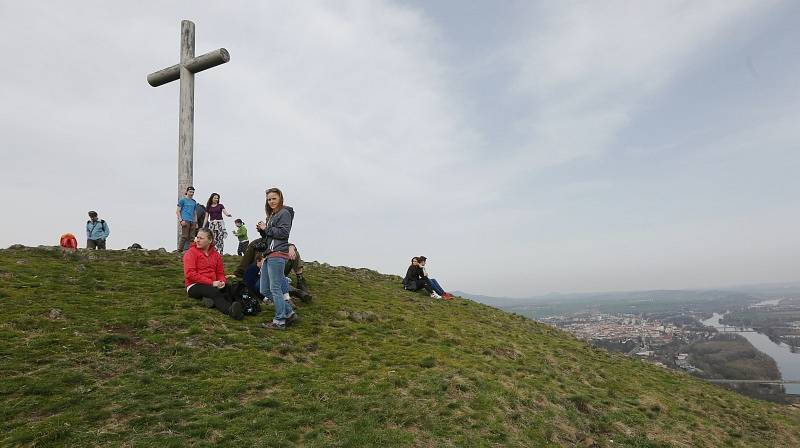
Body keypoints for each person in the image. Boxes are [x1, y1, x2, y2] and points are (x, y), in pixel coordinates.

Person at [234, 228, 312, 301]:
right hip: (262, 273)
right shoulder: (255, 244)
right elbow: (246, 259)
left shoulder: (277, 242)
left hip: (278, 268)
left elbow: (288, 245)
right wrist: (239, 272)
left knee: (294, 252)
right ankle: (296, 292)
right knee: (270, 281)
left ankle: (300, 280)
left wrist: (292, 247)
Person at [183, 228, 244, 320]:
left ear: (210, 240)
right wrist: (212, 283)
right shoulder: (190, 253)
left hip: (212, 283)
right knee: (213, 291)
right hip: (194, 285)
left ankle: (238, 308)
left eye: (201, 238)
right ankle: (230, 311)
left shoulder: (216, 255)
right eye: (197, 237)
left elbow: (220, 273)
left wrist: (221, 281)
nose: (198, 240)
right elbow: (190, 274)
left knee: (229, 288)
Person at [260, 187, 298, 330]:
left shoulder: (284, 213)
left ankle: (279, 321)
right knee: (264, 290)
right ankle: (289, 312)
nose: (271, 201)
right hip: (269, 254)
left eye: (274, 198)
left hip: (278, 254)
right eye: (269, 199)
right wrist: (263, 230)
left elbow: (283, 233)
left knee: (275, 288)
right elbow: (271, 236)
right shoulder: (271, 215)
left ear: (280, 198)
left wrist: (266, 229)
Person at [176, 186, 198, 251]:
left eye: (193, 192)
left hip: (192, 221)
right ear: (187, 192)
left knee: (192, 237)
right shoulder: (182, 200)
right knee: (184, 236)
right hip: (185, 220)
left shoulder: (194, 202)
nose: (191, 193)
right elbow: (177, 211)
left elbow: (195, 212)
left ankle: (191, 250)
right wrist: (181, 220)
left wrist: (196, 222)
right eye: (190, 192)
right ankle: (179, 250)